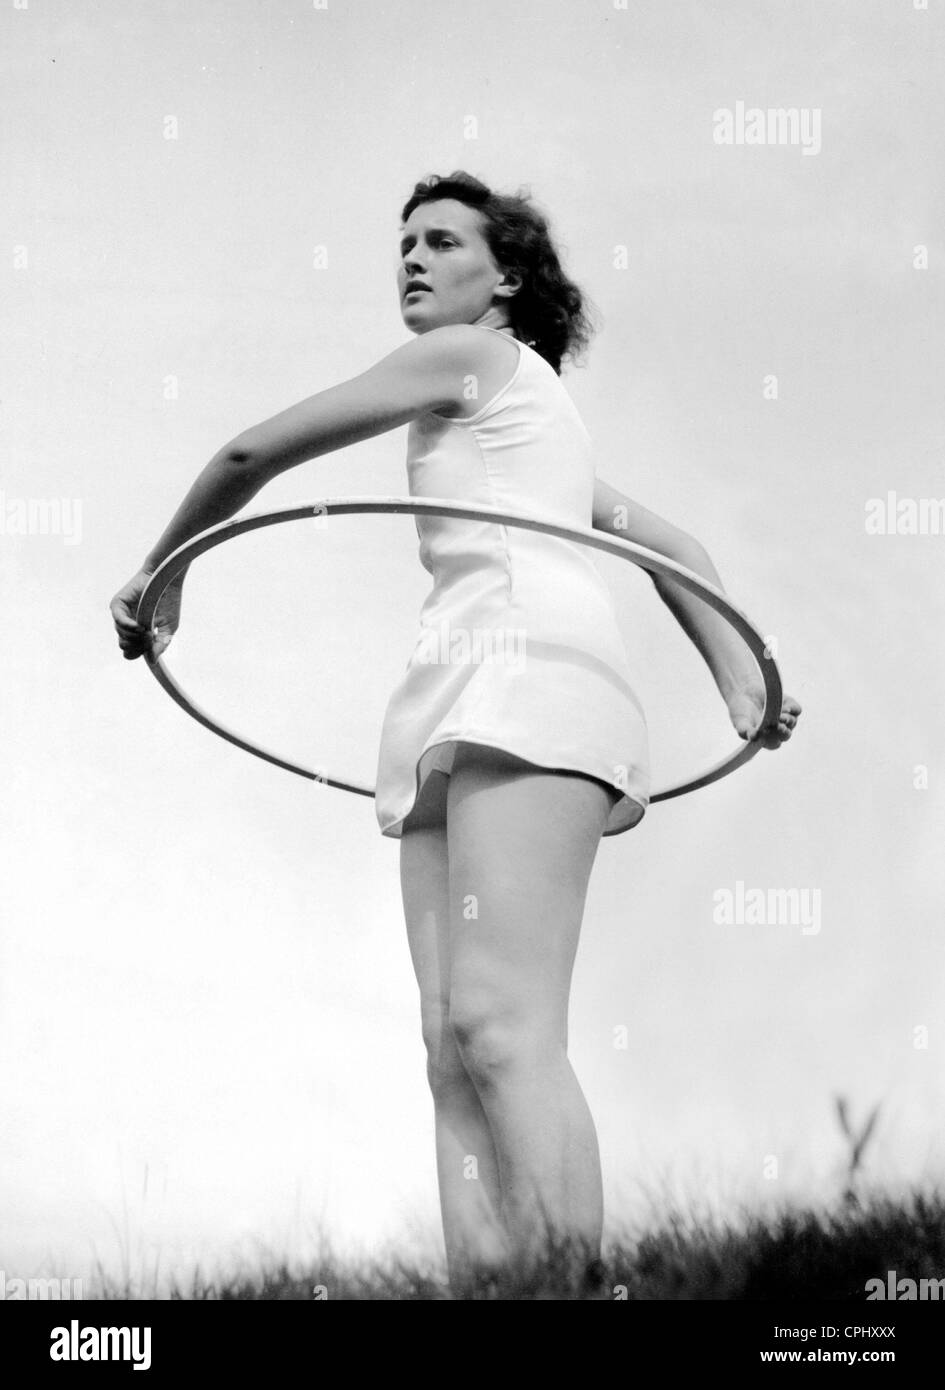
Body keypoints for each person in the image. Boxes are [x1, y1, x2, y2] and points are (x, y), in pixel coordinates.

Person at [110, 171, 802, 1295]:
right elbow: (673, 547)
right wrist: (739, 683)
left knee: (503, 1022)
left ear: (507, 279)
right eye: (404, 244)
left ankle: (576, 1284)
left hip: (533, 684)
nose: (413, 260)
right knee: (450, 1044)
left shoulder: (473, 359)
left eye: (442, 241)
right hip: (459, 695)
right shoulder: (537, 423)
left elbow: (252, 456)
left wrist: (158, 572)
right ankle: (492, 1291)